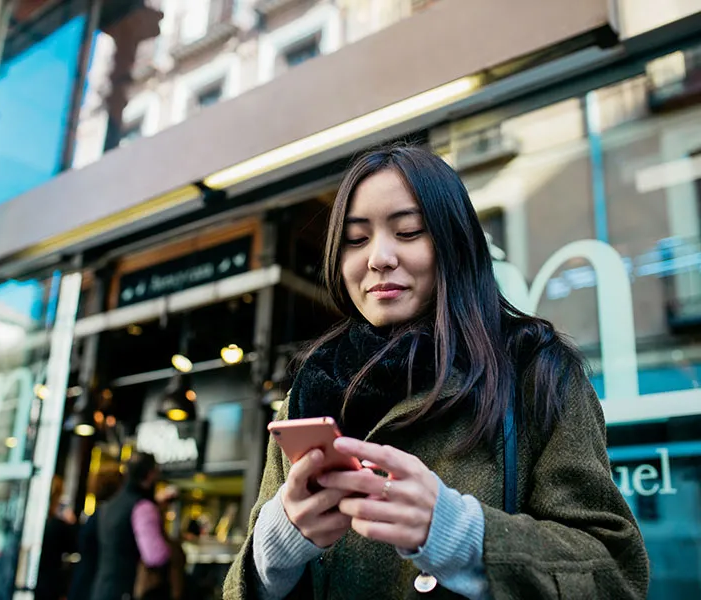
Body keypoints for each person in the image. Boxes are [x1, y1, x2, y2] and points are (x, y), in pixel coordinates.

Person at [223, 145, 649, 599]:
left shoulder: (536, 372)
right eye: (356, 239)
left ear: (453, 242)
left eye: (408, 232)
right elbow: (237, 587)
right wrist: (277, 549)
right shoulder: (308, 394)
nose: (379, 257)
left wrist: (458, 533)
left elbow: (617, 575)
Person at [91, 452, 171, 600]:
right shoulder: (143, 506)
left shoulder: (108, 506)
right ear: (150, 474)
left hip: (103, 589)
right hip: (127, 591)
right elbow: (155, 556)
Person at [36, 476, 77, 600]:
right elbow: (74, 546)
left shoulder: (33, 523)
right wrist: (71, 523)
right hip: (49, 586)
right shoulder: (57, 525)